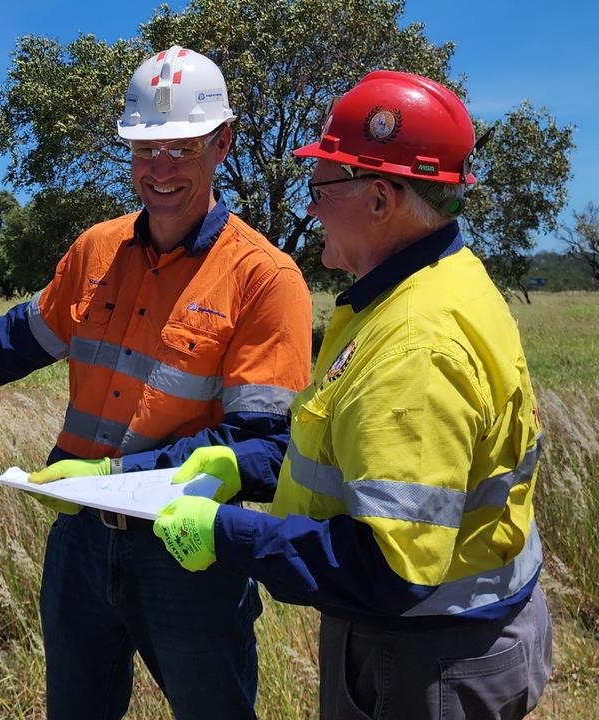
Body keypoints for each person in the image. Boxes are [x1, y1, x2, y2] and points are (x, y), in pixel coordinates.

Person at [0, 46, 311, 719]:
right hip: (80, 540)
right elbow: (24, 336)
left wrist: (115, 475)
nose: (159, 169)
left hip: (184, 547)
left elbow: (260, 447)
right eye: (143, 147)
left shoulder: (265, 279)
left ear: (221, 143)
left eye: (181, 148)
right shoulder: (97, 249)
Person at [153, 70, 552, 719]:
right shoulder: (441, 280)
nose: (309, 207)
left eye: (321, 187)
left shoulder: (414, 345)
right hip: (464, 631)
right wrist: (245, 467)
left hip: (424, 656)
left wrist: (227, 533)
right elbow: (367, 461)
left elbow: (390, 568)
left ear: (380, 200)